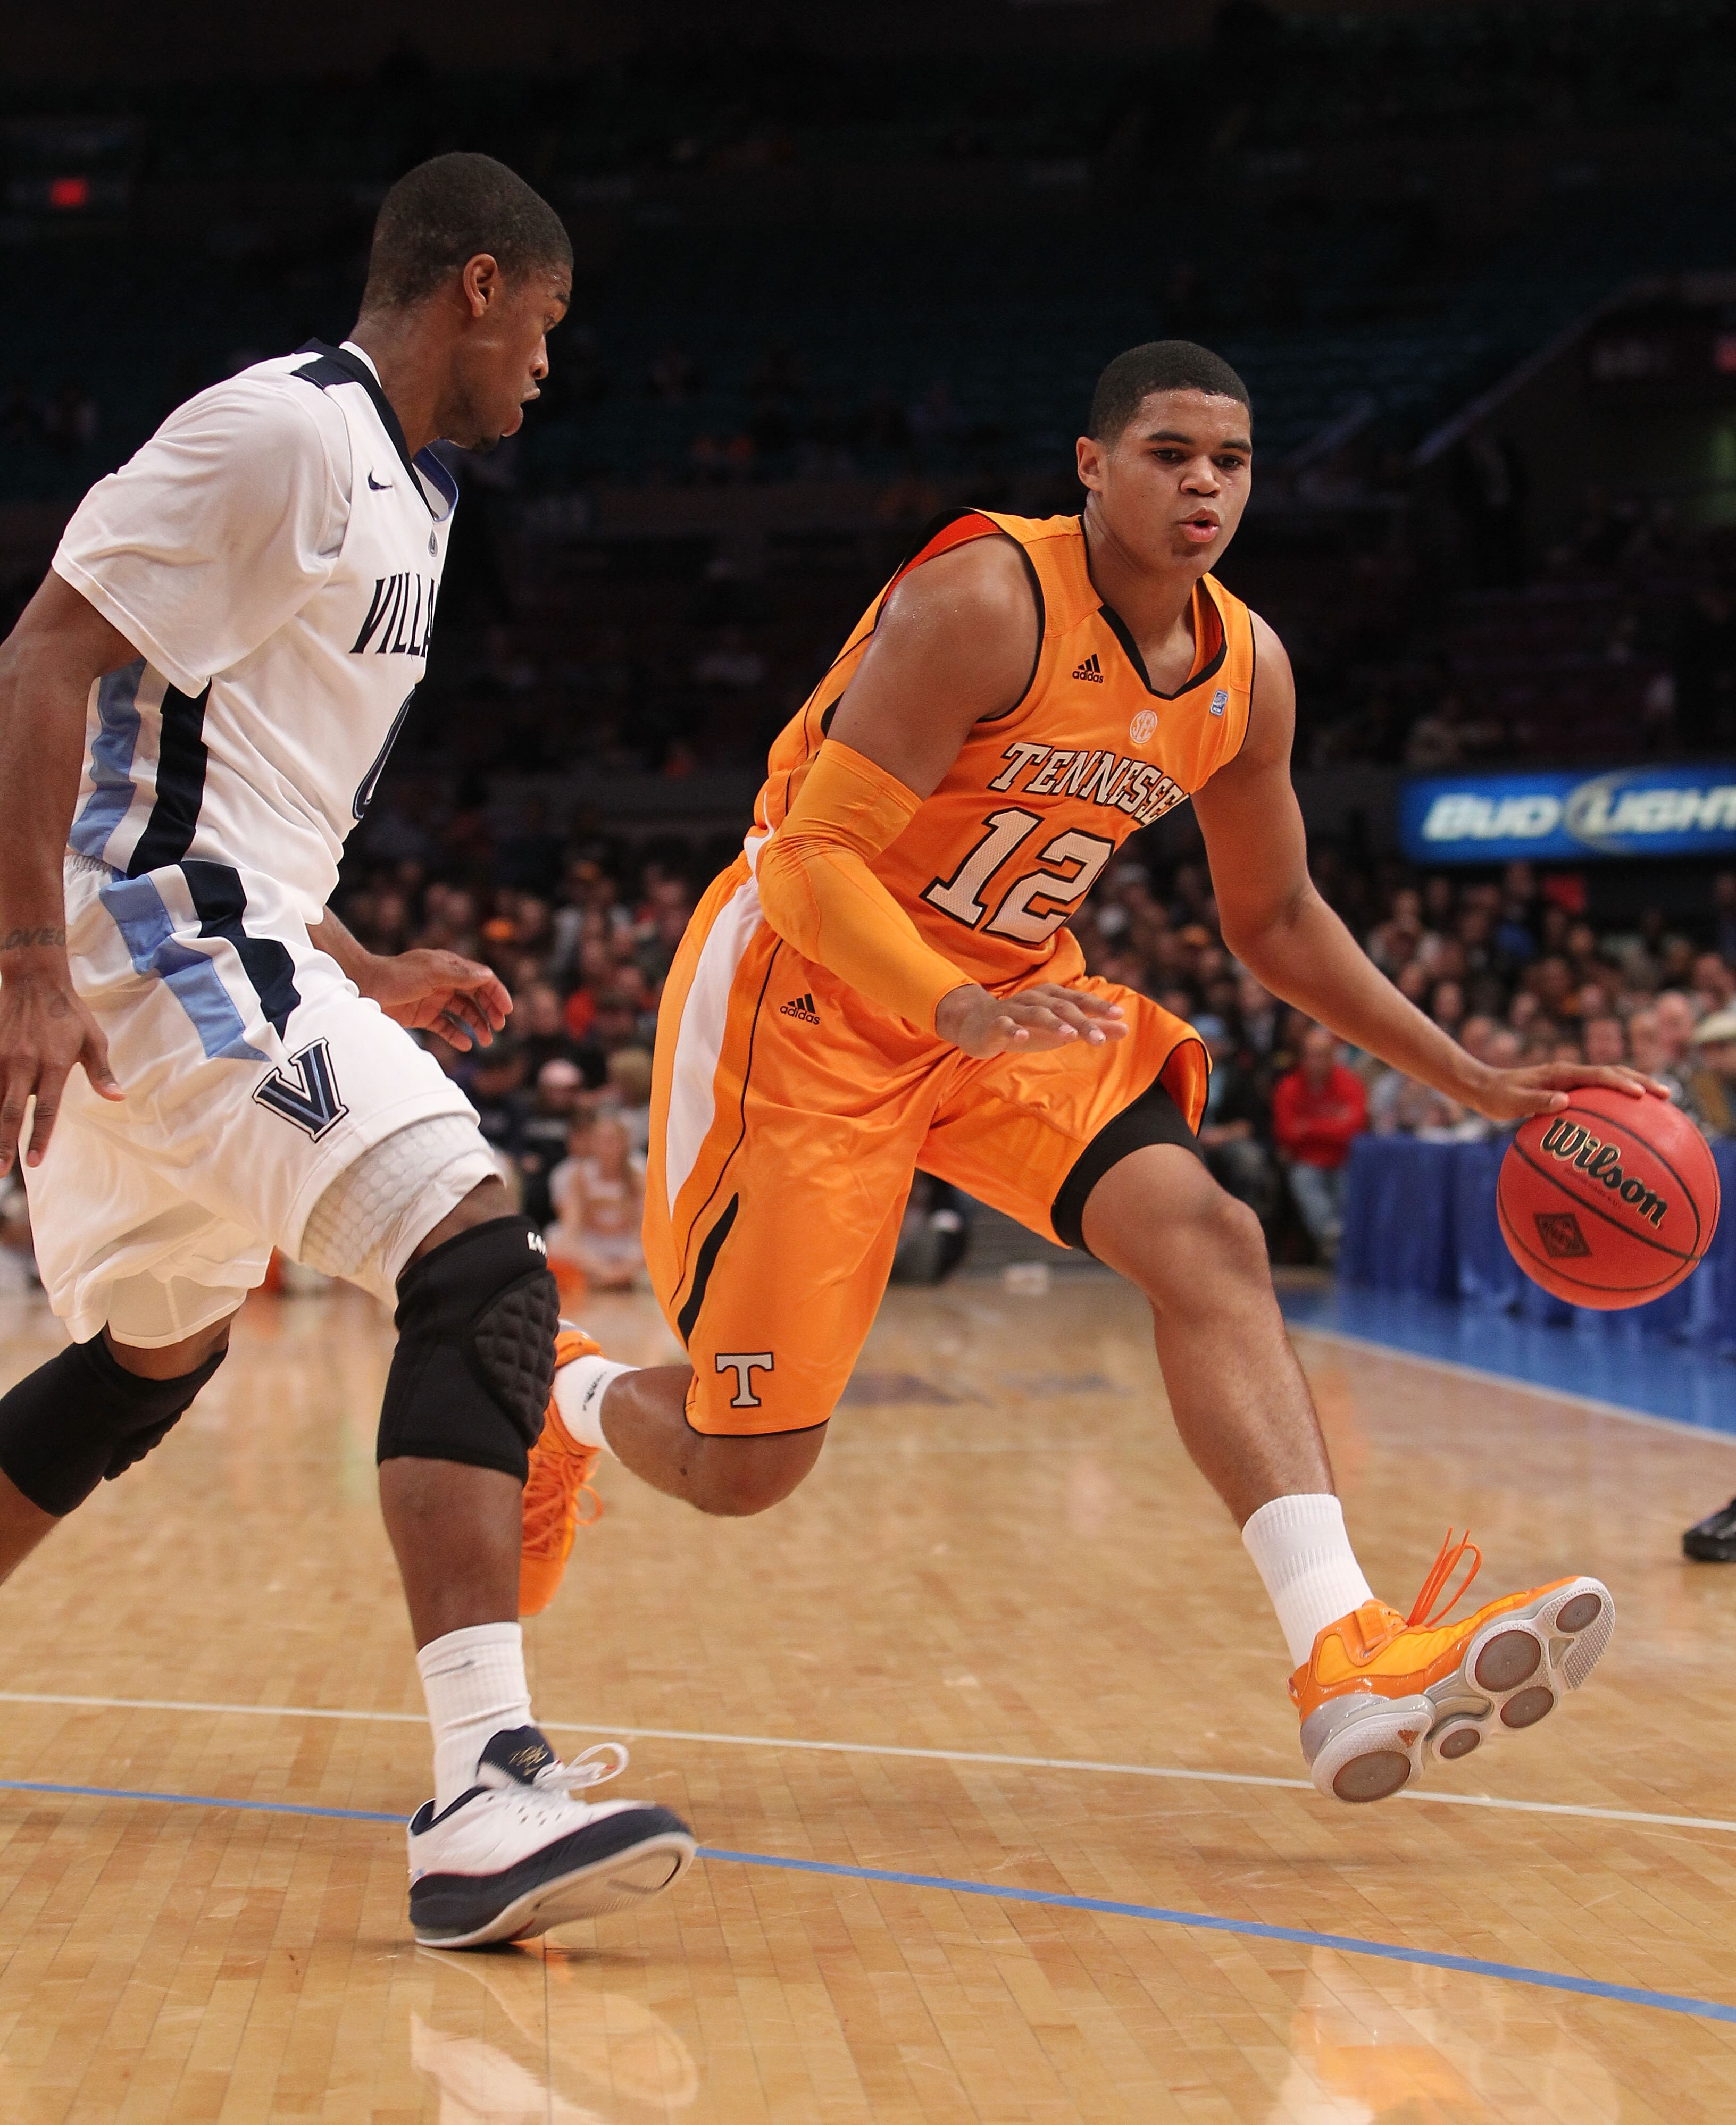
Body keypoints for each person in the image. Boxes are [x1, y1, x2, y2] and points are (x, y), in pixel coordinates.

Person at [517, 339, 1654, 1805]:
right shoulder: (986, 600)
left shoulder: (1248, 670)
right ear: (1092, 466)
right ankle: (562, 1392)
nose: (1202, 484)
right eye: (1170, 452)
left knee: (1210, 1235)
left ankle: (1345, 1651)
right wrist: (941, 1001)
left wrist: (1470, 1073)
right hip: (809, 1002)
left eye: (1230, 461)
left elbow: (1281, 920)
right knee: (749, 1467)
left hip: (1010, 1004)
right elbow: (807, 861)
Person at [0, 153, 692, 1945]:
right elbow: (41, 665)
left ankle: (484, 1781)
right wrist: (24, 963)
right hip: (152, 939)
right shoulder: (286, 431)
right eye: (543, 322)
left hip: (219, 932)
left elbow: (228, 769)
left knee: (150, 1357)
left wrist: (360, 955)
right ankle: (481, 1786)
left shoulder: (424, 491)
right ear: (475, 284)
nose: (550, 360)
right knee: (476, 1257)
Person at [1272, 1024, 1367, 1264]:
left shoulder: (1350, 1084)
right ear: (1303, 1058)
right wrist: (1333, 1124)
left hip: (1344, 1160)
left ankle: (1340, 1244)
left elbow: (1354, 1129)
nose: (1317, 1062)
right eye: (1311, 1056)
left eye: (1323, 1056)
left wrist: (1308, 1127)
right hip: (1306, 1162)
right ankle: (1333, 1237)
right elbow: (1286, 1133)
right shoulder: (1289, 1087)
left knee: (1350, 1190)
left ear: (1333, 1057)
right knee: (1305, 1181)